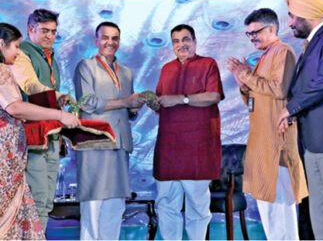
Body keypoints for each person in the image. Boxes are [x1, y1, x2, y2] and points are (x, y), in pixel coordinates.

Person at [226, 8, 308, 240]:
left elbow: (279, 89)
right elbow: (257, 98)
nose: (252, 38)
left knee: (281, 207)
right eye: (249, 34)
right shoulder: (266, 55)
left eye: (256, 32)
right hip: (263, 142)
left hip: (277, 143)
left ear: (271, 29)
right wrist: (244, 85)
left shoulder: (282, 51)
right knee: (268, 207)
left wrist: (247, 75)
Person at [277, 0, 323, 239]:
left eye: (293, 16)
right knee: (320, 214)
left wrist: (291, 108)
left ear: (309, 14)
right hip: (313, 143)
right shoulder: (310, 45)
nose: (289, 22)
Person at [0, 23, 80, 240]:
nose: (17, 52)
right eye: (15, 46)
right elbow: (15, 107)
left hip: (12, 152)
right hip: (5, 155)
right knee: (11, 208)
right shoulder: (2, 71)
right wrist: (60, 115)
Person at [147, 24, 224, 240]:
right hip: (169, 148)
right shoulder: (167, 69)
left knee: (198, 206)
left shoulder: (208, 64)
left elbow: (213, 96)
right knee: (166, 204)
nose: (181, 45)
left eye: (185, 39)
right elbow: (162, 102)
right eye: (176, 41)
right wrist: (154, 104)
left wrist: (181, 99)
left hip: (197, 147)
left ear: (195, 41)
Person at [74, 21, 145, 240]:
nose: (110, 42)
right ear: (96, 40)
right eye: (105, 37)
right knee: (93, 204)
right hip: (95, 141)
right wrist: (126, 101)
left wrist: (134, 108)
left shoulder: (126, 72)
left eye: (115, 38)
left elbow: (127, 110)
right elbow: (88, 103)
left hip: (120, 144)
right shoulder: (85, 66)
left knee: (116, 205)